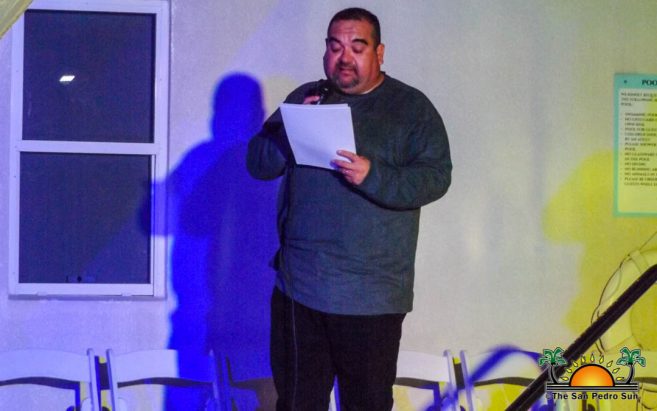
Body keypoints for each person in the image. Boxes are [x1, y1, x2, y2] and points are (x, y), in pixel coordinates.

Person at [247, 7, 452, 410]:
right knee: (296, 403)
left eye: (357, 48)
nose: (344, 57)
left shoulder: (410, 108)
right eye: (335, 47)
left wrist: (373, 175)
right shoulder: (307, 97)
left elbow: (436, 177)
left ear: (379, 52)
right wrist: (290, 131)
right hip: (298, 290)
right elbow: (258, 163)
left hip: (370, 298)